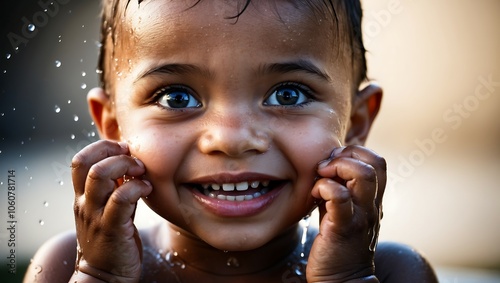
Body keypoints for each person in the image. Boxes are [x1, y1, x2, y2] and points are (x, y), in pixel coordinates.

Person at [24, 1, 438, 282]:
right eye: (176, 97)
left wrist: (347, 278)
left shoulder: (390, 271)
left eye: (288, 94)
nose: (232, 139)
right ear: (114, 128)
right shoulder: (67, 267)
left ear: (356, 120)